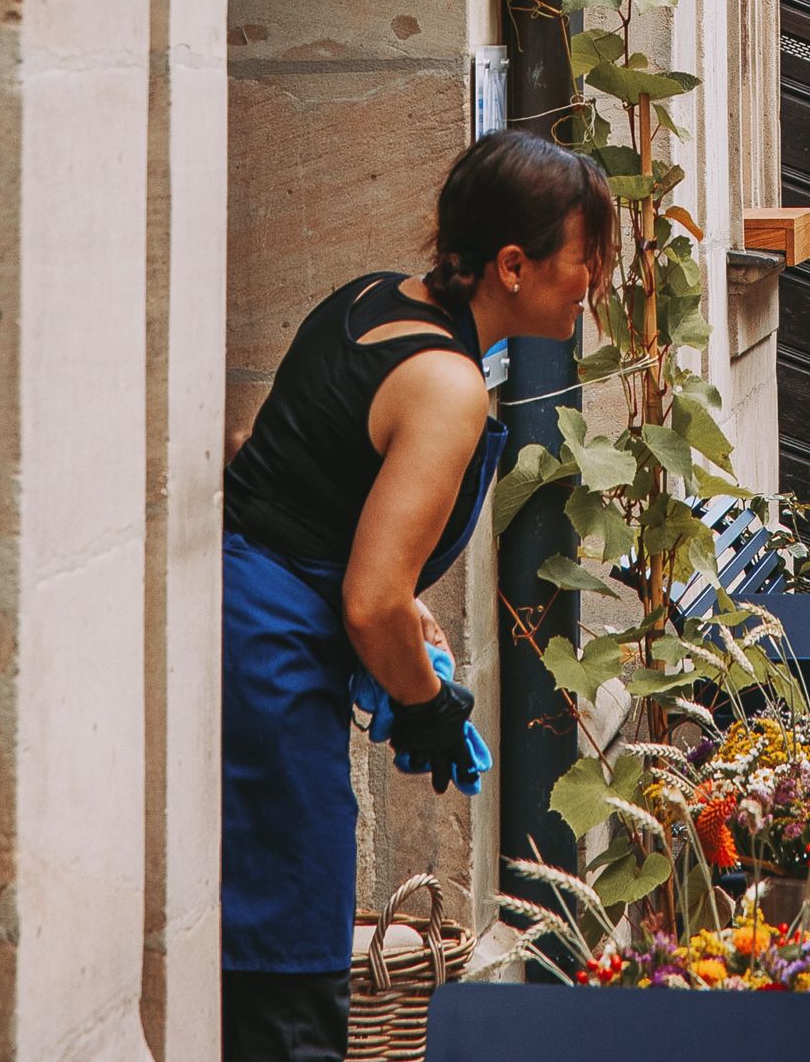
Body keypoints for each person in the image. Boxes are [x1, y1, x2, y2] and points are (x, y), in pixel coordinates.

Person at [220, 129, 615, 1062]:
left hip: (242, 622)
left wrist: (390, 599)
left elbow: (261, 454)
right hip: (269, 670)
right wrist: (428, 704)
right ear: (513, 265)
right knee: (283, 975)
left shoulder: (368, 299)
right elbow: (367, 603)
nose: (591, 285)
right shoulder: (449, 385)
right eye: (581, 263)